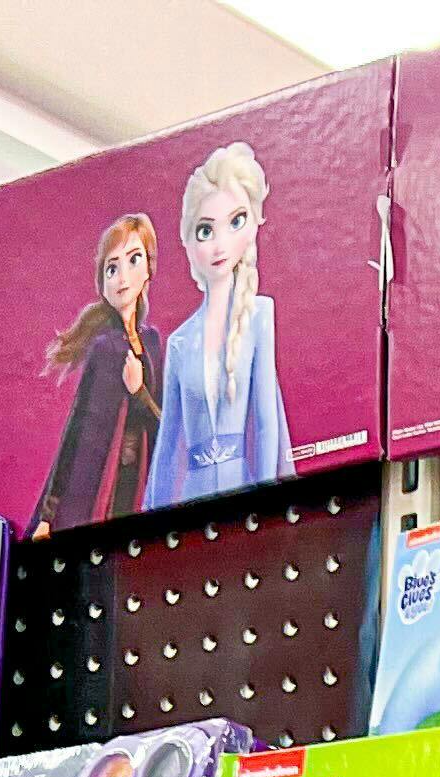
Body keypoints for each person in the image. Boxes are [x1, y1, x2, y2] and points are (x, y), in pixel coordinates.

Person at [142, 143, 291, 511]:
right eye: (205, 231)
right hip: (193, 499)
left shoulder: (259, 315)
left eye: (235, 222)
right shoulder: (179, 343)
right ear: (189, 243)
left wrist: (267, 498)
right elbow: (168, 443)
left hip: (243, 491)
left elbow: (266, 423)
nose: (220, 244)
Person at [33, 213, 162, 534]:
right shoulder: (104, 348)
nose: (122, 278)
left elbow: (163, 424)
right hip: (93, 491)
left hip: (138, 488)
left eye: (134, 260)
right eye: (112, 268)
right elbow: (76, 432)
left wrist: (139, 392)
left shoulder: (152, 342)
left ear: (149, 268)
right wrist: (48, 515)